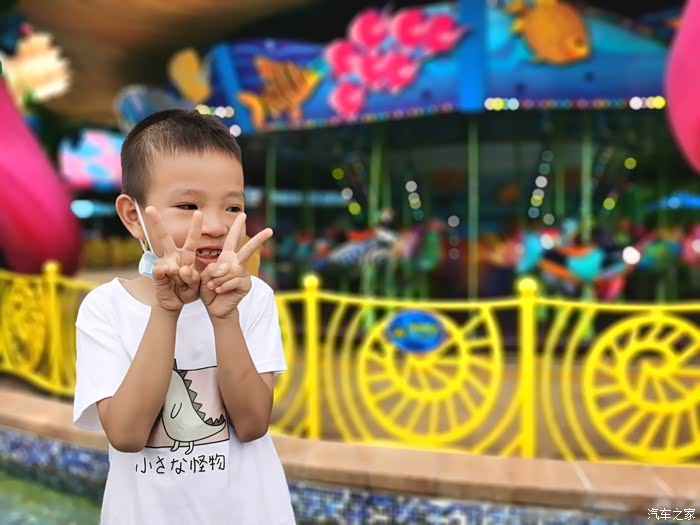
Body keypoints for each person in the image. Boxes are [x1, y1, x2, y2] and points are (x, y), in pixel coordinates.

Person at [72, 109, 296, 524]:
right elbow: (126, 434)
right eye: (188, 205)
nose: (215, 225)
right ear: (133, 216)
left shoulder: (253, 299)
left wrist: (225, 317)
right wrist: (167, 310)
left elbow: (252, 423)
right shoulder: (106, 309)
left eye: (233, 207)